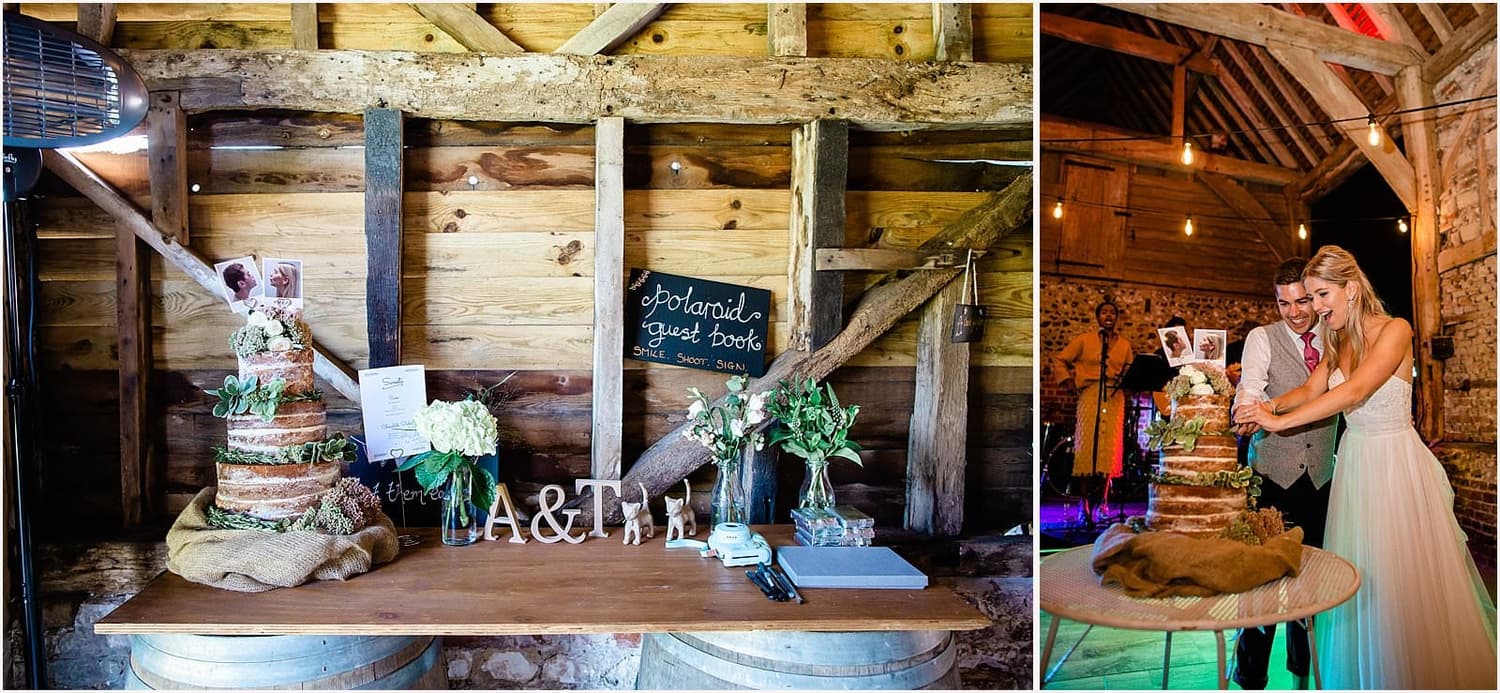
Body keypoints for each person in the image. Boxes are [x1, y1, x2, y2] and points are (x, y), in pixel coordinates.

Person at [1243, 246, 1496, 690]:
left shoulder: (1396, 330)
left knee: (1400, 574)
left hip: (1394, 466)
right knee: (1360, 572)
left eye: (1322, 296)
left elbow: (1355, 392)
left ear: (1351, 290)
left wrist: (1278, 423)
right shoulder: (1337, 340)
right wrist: (1266, 405)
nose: (1316, 308)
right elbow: (1310, 388)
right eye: (1312, 298)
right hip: (1355, 465)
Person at [1227, 258, 1338, 690]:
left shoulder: (1335, 335)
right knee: (1263, 578)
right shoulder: (1262, 337)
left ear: (1315, 295)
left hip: (1322, 478)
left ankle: (1301, 670)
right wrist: (1245, 410)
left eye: (1302, 301)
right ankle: (1251, 674)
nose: (1294, 312)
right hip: (1272, 475)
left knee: (1311, 580)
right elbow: (1250, 386)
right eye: (1283, 303)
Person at [1051, 300, 1133, 524]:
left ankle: (1104, 502)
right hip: (1090, 394)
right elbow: (1060, 360)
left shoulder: (1124, 345)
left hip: (1115, 396)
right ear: (1098, 317)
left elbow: (1130, 369)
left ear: (1116, 318)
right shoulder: (1084, 340)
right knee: (1088, 448)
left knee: (1110, 448)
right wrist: (1068, 381)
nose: (1108, 315)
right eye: (1104, 312)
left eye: (1112, 313)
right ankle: (1084, 504)